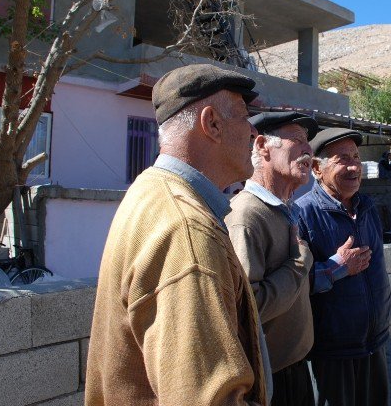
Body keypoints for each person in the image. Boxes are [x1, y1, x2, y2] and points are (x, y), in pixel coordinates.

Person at [85, 64, 269, 405]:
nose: (254, 134)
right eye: (245, 118)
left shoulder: (151, 190)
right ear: (211, 123)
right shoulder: (187, 231)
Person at [226, 112, 320, 405]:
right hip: (273, 379)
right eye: (298, 140)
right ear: (263, 146)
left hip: (295, 368)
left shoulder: (284, 209)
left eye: (309, 142)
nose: (308, 150)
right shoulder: (246, 216)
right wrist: (299, 264)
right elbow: (247, 308)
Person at [296, 128, 391, 406]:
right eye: (342, 159)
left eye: (356, 157)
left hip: (375, 342)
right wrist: (338, 268)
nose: (354, 167)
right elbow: (297, 284)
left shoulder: (368, 207)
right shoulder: (302, 214)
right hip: (333, 352)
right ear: (317, 168)